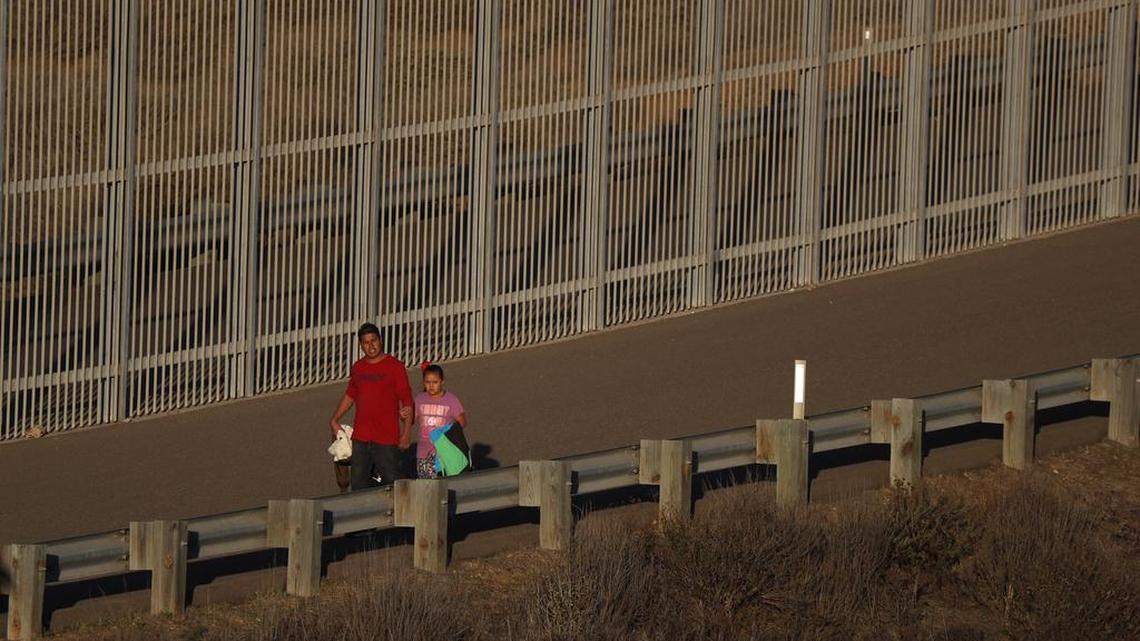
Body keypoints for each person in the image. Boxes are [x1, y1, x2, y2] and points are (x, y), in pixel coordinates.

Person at [328, 323, 414, 490]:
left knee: (392, 480)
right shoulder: (358, 368)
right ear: (361, 345)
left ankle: (404, 514)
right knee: (359, 483)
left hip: (386, 437)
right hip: (361, 437)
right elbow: (350, 395)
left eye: (373, 340)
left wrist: (406, 434)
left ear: (380, 341)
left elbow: (407, 400)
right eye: (366, 342)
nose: (371, 345)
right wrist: (334, 419)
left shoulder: (395, 366)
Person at [414, 362, 468, 479]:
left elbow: (462, 422)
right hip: (423, 452)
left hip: (444, 453)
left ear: (442, 382)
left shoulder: (451, 400)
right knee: (425, 486)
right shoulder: (420, 399)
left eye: (435, 382)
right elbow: (412, 419)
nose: (431, 386)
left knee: (444, 484)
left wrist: (445, 433)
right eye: (428, 382)